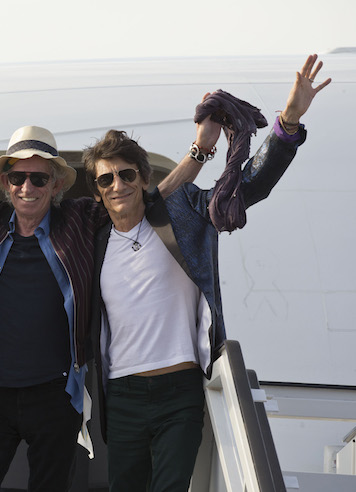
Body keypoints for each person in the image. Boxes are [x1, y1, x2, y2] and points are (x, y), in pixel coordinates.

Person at [0, 117, 221, 491]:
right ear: (6, 184)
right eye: (18, 178)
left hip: (55, 396)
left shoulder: (78, 218)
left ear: (56, 183)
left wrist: (199, 152)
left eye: (39, 178)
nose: (27, 187)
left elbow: (148, 198)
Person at [85, 54, 331, 492]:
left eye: (126, 175)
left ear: (143, 179)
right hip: (121, 395)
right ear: (98, 190)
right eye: (106, 180)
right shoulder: (94, 240)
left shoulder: (180, 215)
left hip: (178, 390)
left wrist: (288, 123)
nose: (117, 185)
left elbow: (247, 186)